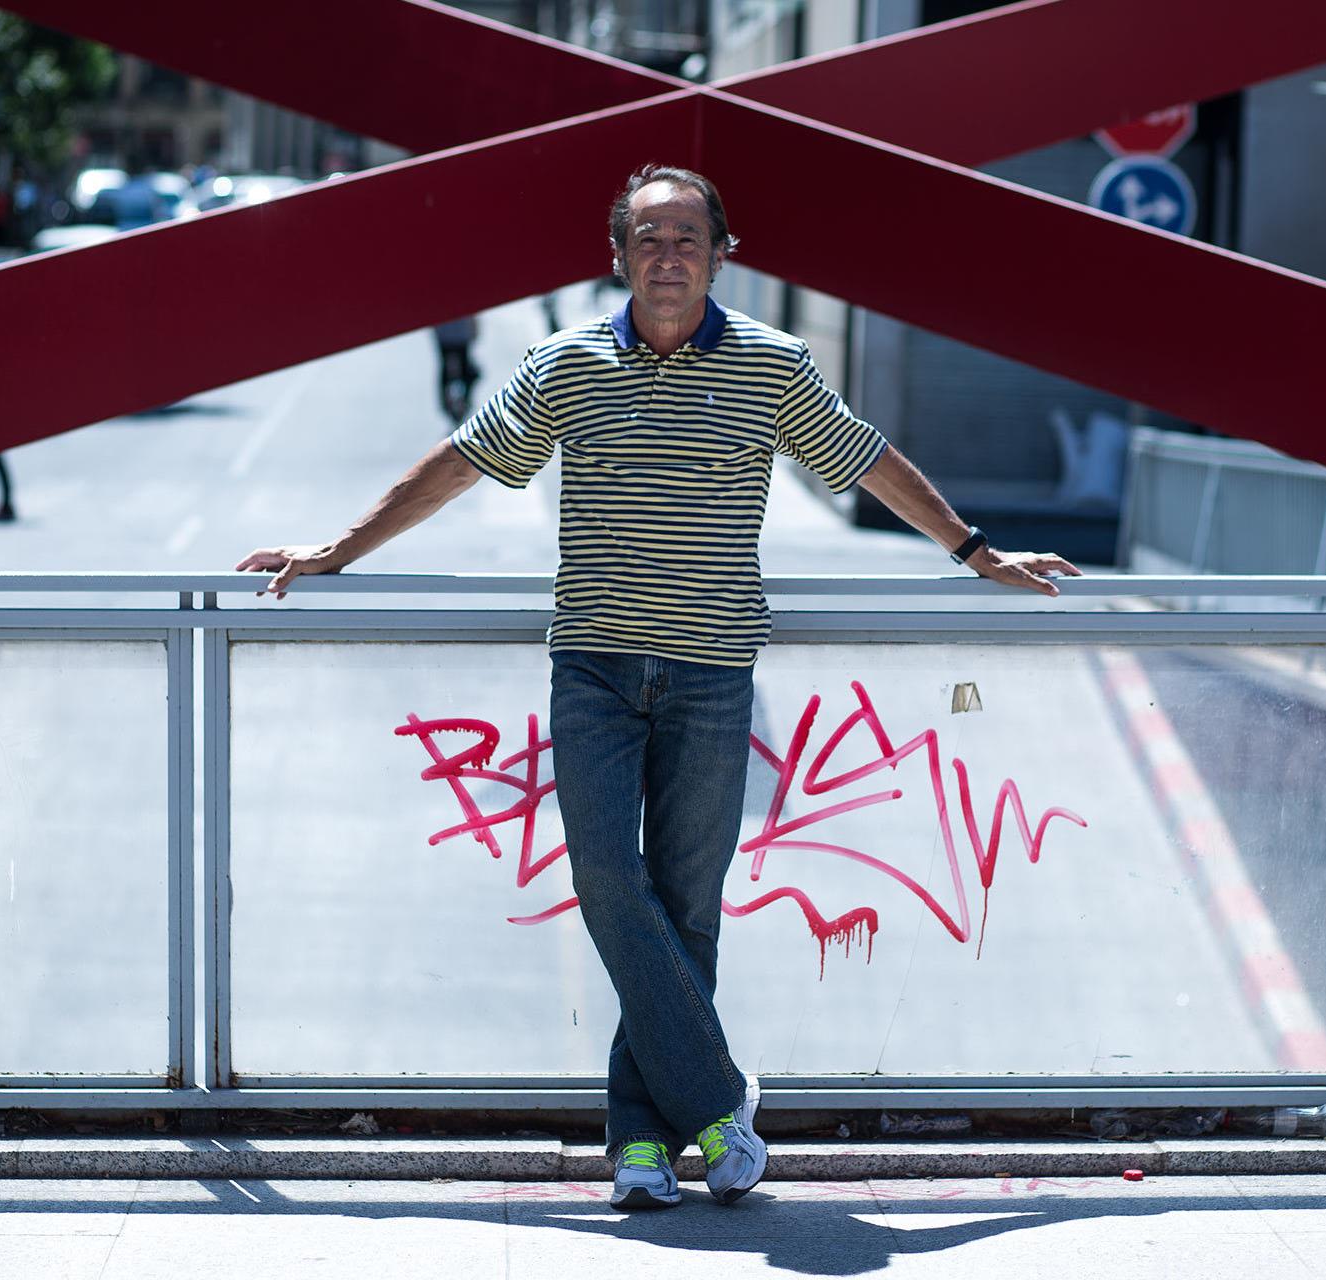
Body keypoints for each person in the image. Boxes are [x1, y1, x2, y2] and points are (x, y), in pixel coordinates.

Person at [236, 164, 1080, 1210]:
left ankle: (638, 1142)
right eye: (648, 238)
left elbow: (864, 460)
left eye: (687, 237)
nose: (668, 255)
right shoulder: (566, 365)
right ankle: (721, 1104)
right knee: (604, 878)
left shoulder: (773, 366)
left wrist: (974, 551)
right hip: (590, 664)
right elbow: (460, 461)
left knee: (685, 907)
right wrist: (338, 550)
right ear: (619, 257)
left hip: (712, 671)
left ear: (720, 253)